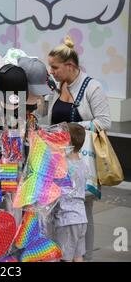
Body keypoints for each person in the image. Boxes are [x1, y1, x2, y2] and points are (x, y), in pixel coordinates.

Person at [47, 35, 111, 261]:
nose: (51, 71)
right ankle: (63, 254)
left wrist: (71, 127)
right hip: (58, 159)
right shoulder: (58, 86)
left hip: (81, 161)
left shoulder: (92, 87)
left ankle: (84, 256)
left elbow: (104, 121)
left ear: (70, 65)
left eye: (54, 67)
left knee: (82, 212)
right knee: (58, 210)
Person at [53, 123, 88, 262]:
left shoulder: (63, 165)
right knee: (77, 255)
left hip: (67, 219)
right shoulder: (84, 165)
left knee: (65, 257)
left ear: (67, 142)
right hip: (81, 218)